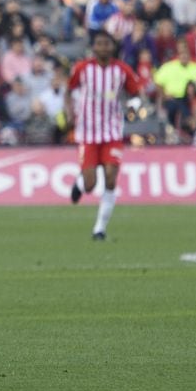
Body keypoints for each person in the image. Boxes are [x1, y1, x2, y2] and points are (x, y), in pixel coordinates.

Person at [66, 30, 142, 241]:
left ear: (112, 46)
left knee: (110, 177)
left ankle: (99, 228)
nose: (103, 47)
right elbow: (68, 89)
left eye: (107, 44)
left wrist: (133, 108)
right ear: (94, 47)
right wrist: (69, 111)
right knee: (90, 184)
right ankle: (80, 184)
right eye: (99, 44)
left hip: (112, 132)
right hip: (87, 133)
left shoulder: (122, 70)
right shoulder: (83, 69)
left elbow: (135, 93)